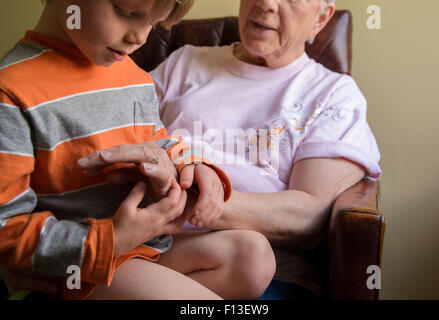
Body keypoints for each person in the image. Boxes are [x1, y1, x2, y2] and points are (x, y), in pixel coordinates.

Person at [78, 0, 382, 299]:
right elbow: (116, 137)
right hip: (147, 250)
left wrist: (187, 198)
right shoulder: (184, 61)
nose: (266, 3)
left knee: (250, 257)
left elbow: (307, 216)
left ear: (321, 17)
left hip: (262, 275)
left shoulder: (332, 94)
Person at [0, 0, 276, 300]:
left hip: (145, 247)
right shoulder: (11, 91)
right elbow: (6, 228)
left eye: (151, 23)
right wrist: (112, 240)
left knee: (254, 257)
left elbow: (156, 140)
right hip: (85, 267)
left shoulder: (132, 75)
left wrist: (190, 165)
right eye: (127, 13)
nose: (139, 37)